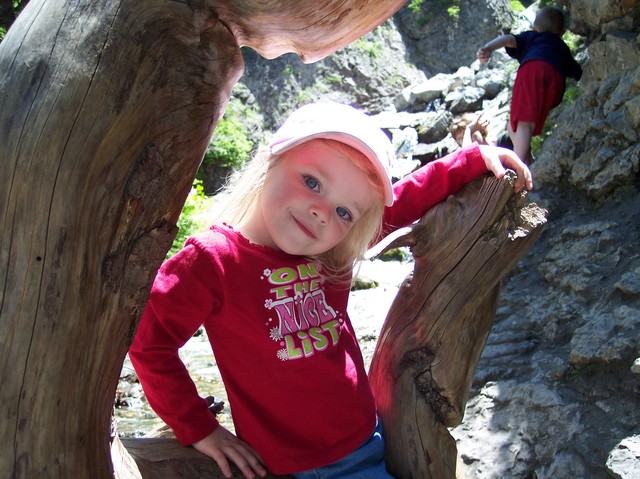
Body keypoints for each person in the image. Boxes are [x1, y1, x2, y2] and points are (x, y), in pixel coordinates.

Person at [129, 102, 533, 479]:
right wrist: (199, 427)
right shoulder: (213, 260)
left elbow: (403, 201)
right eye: (312, 181)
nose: (323, 212)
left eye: (344, 212)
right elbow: (149, 341)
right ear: (274, 158)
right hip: (295, 465)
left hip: (370, 436)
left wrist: (474, 159)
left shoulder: (334, 250)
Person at [477, 5, 582, 165]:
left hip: (531, 70)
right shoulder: (562, 47)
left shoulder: (531, 37)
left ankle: (518, 169)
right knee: (513, 125)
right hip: (555, 79)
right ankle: (527, 161)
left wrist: (488, 48)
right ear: (562, 33)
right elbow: (578, 72)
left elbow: (509, 39)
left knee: (523, 125)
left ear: (535, 28)